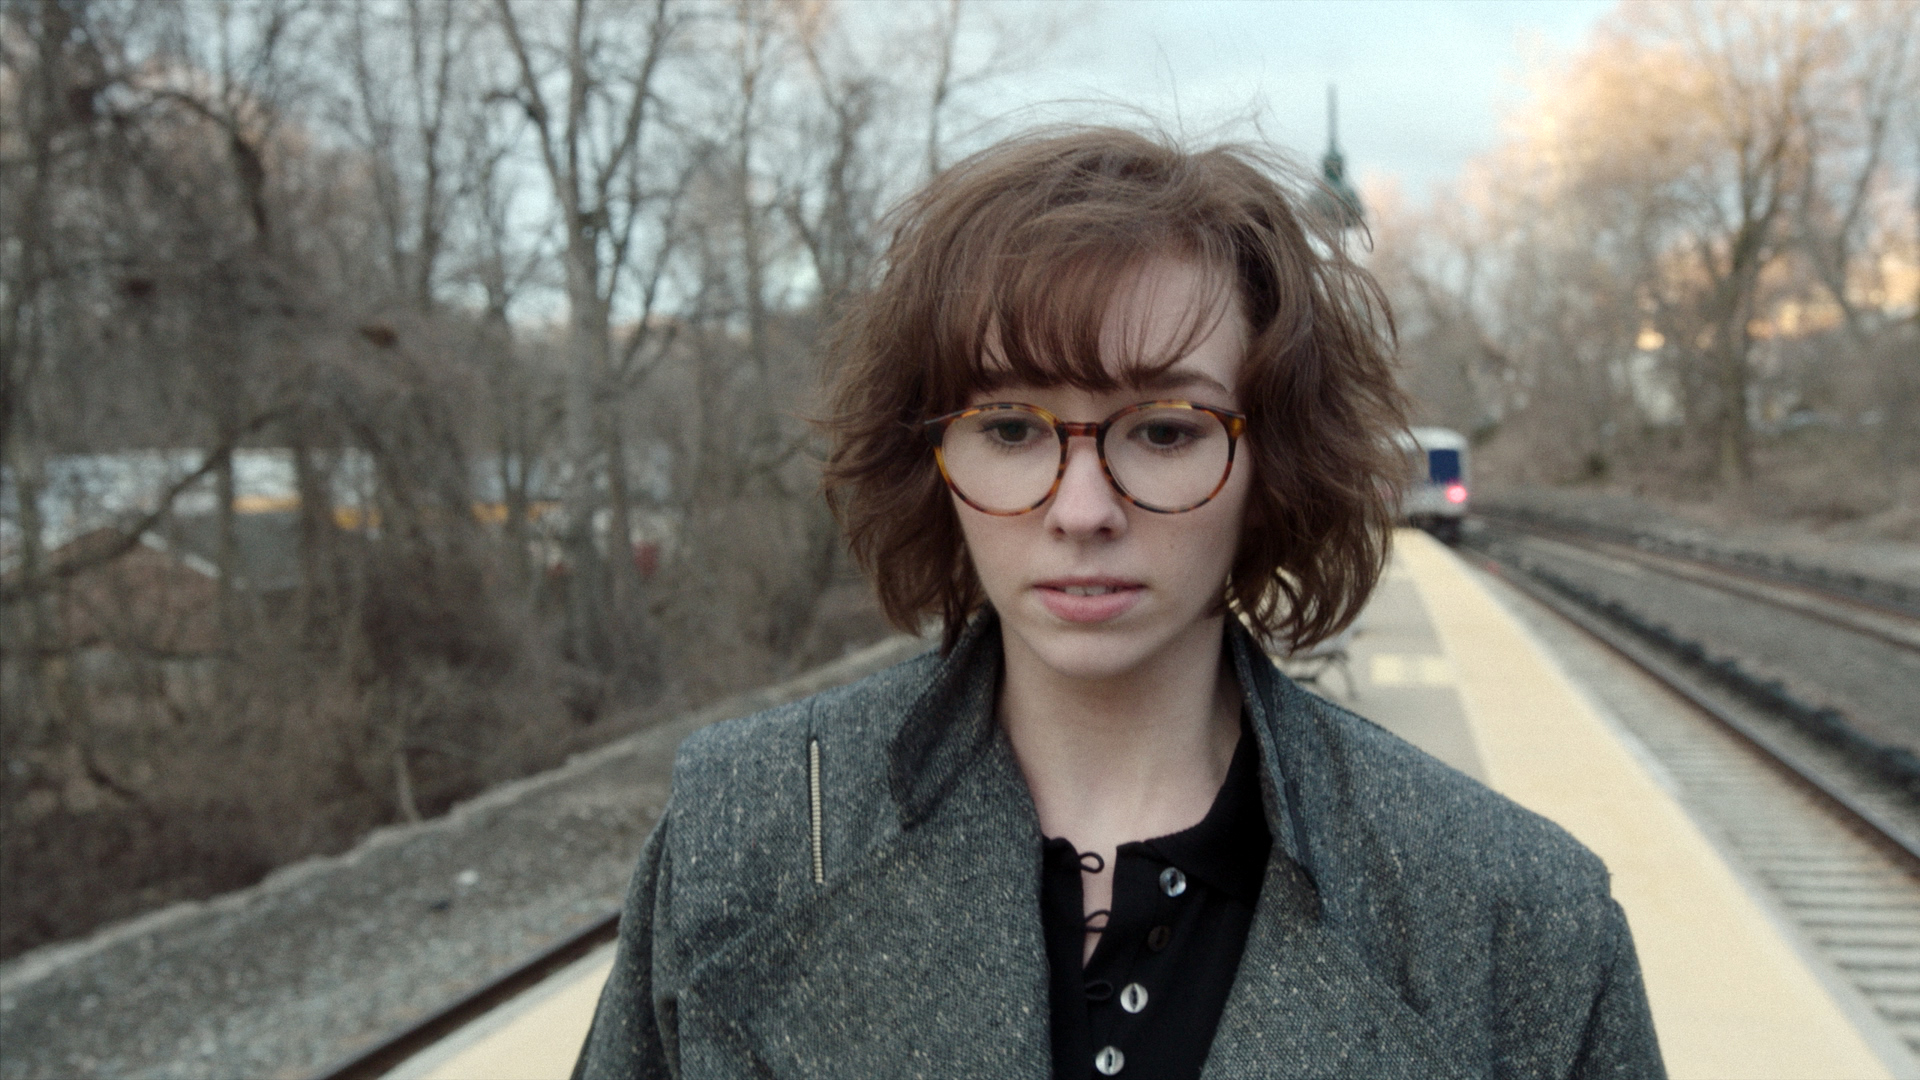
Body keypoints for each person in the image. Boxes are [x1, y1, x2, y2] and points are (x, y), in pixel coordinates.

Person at [574, 127, 1663, 1079]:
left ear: (1271, 463)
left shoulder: (1518, 918)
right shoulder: (747, 834)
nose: (1083, 508)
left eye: (1165, 430)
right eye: (1009, 428)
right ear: (931, 454)